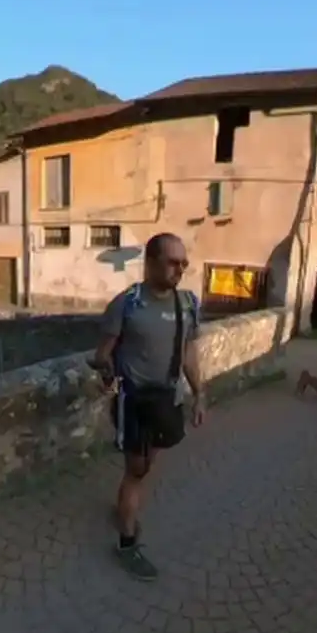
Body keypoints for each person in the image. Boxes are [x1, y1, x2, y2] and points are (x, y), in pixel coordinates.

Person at [91, 233, 206, 580]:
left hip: (167, 401)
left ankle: (125, 505)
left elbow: (188, 353)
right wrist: (106, 371)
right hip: (134, 402)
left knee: (145, 466)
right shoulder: (127, 303)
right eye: (173, 262)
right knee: (135, 471)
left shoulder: (187, 304)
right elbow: (103, 353)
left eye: (184, 263)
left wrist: (200, 393)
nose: (180, 269)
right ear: (152, 261)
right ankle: (126, 543)